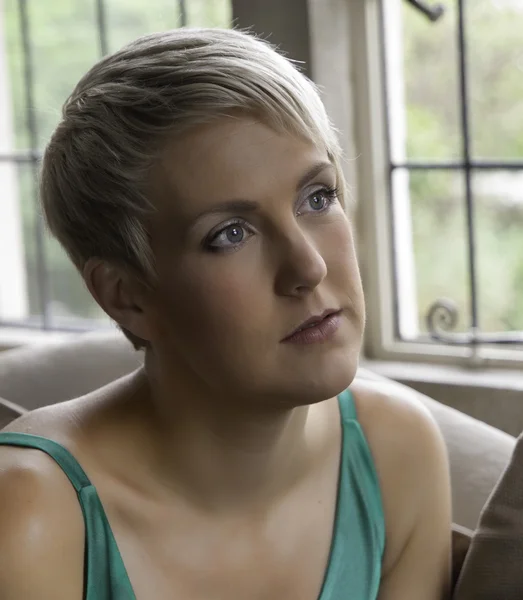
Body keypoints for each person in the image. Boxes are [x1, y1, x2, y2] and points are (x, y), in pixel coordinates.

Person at [0, 28, 451, 600]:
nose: (308, 267)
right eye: (230, 234)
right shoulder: (30, 516)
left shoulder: (397, 453)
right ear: (127, 295)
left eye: (317, 197)